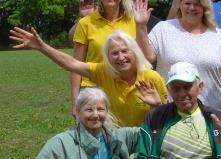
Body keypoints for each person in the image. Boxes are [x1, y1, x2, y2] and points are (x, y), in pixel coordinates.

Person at [10, 27, 166, 127]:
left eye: (125, 51)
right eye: (114, 53)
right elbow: (72, 63)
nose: (120, 57)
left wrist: (156, 106)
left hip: (145, 140)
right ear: (108, 57)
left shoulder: (152, 78)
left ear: (135, 52)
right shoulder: (104, 72)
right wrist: (42, 47)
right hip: (114, 139)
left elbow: (166, 117)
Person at [136, 0, 221, 115]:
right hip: (171, 112)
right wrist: (140, 27)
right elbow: (149, 56)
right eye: (187, 3)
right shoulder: (163, 28)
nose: (191, 8)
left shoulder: (218, 35)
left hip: (212, 113)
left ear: (205, 7)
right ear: (180, 5)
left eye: (197, 4)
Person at [71, 0, 137, 115]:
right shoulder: (86, 23)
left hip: (125, 89)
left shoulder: (133, 21)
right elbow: (76, 65)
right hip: (93, 90)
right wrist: (75, 102)